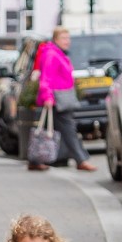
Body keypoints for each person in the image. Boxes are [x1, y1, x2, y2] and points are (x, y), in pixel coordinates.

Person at [32, 26, 98, 172]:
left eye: (68, 38)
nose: (67, 41)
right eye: (64, 38)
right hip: (57, 99)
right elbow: (46, 78)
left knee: (45, 131)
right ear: (56, 39)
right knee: (69, 130)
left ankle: (35, 160)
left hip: (60, 98)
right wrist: (48, 96)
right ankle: (81, 160)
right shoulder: (52, 55)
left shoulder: (58, 54)